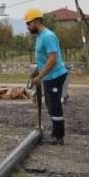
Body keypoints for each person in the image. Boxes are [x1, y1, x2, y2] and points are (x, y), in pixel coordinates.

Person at [26, 8, 68, 145]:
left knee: (55, 105)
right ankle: (55, 133)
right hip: (48, 76)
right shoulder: (39, 37)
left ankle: (58, 136)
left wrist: (40, 76)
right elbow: (44, 59)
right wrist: (37, 71)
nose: (28, 26)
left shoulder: (48, 36)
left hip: (55, 76)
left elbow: (52, 59)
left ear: (37, 21)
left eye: (29, 23)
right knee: (50, 105)